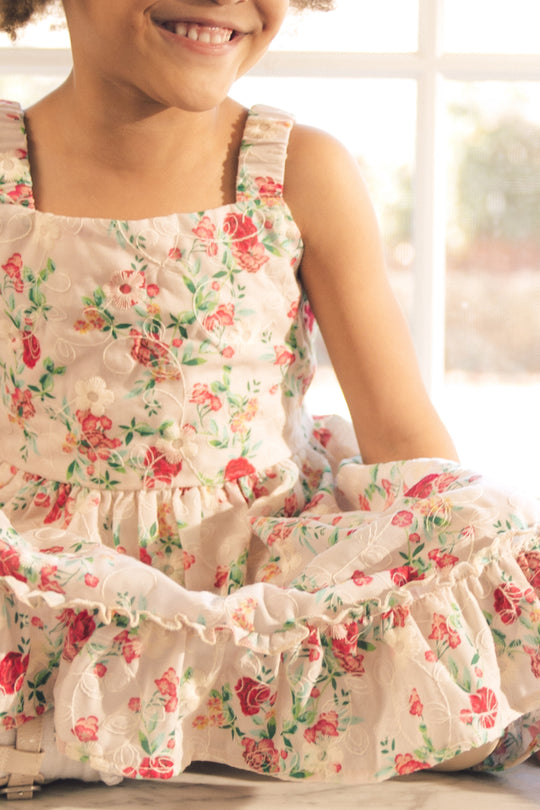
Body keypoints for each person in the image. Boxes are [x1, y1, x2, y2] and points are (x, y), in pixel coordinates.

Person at [0, 0, 538, 798]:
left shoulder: (296, 169)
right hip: (50, 565)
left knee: (482, 522)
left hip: (263, 565)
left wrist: (455, 598)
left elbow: (405, 442)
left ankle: (164, 718)